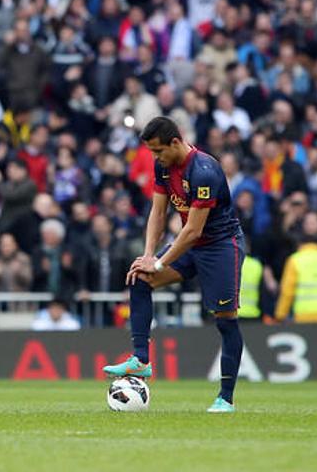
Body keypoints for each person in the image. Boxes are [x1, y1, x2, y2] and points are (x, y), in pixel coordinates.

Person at [104, 117, 245, 414]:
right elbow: (157, 213)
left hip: (220, 247)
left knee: (225, 318)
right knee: (140, 276)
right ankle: (140, 359)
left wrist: (160, 262)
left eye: (158, 151)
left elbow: (193, 230)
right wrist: (148, 256)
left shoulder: (204, 171)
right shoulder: (163, 167)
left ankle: (226, 399)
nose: (155, 158)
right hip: (189, 246)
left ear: (176, 143)